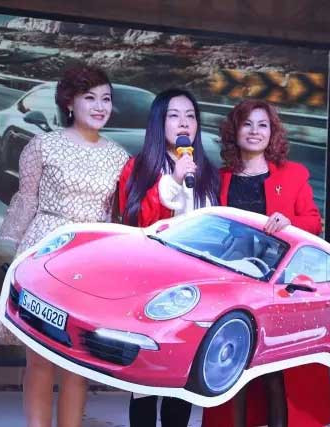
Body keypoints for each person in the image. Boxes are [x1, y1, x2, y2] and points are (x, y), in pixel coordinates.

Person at [0, 64, 129, 427]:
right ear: (69, 102)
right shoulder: (42, 145)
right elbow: (27, 200)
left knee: (77, 358)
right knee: (39, 357)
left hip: (92, 260)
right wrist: (16, 257)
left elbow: (117, 216)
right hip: (45, 254)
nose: (100, 106)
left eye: (106, 99)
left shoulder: (119, 157)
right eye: (90, 98)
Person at [202, 99, 330, 427]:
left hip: (280, 286)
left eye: (263, 125)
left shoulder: (294, 174)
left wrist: (290, 223)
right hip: (232, 287)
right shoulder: (218, 179)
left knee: (276, 371)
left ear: (272, 132)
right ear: (235, 130)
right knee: (234, 370)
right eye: (247, 124)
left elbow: (314, 222)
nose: (255, 131)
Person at [117, 88, 219, 427]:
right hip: (151, 288)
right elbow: (136, 222)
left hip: (196, 289)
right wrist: (173, 181)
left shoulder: (208, 172)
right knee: (145, 380)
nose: (183, 123)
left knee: (182, 377)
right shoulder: (139, 167)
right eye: (174, 116)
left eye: (190, 116)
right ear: (159, 123)